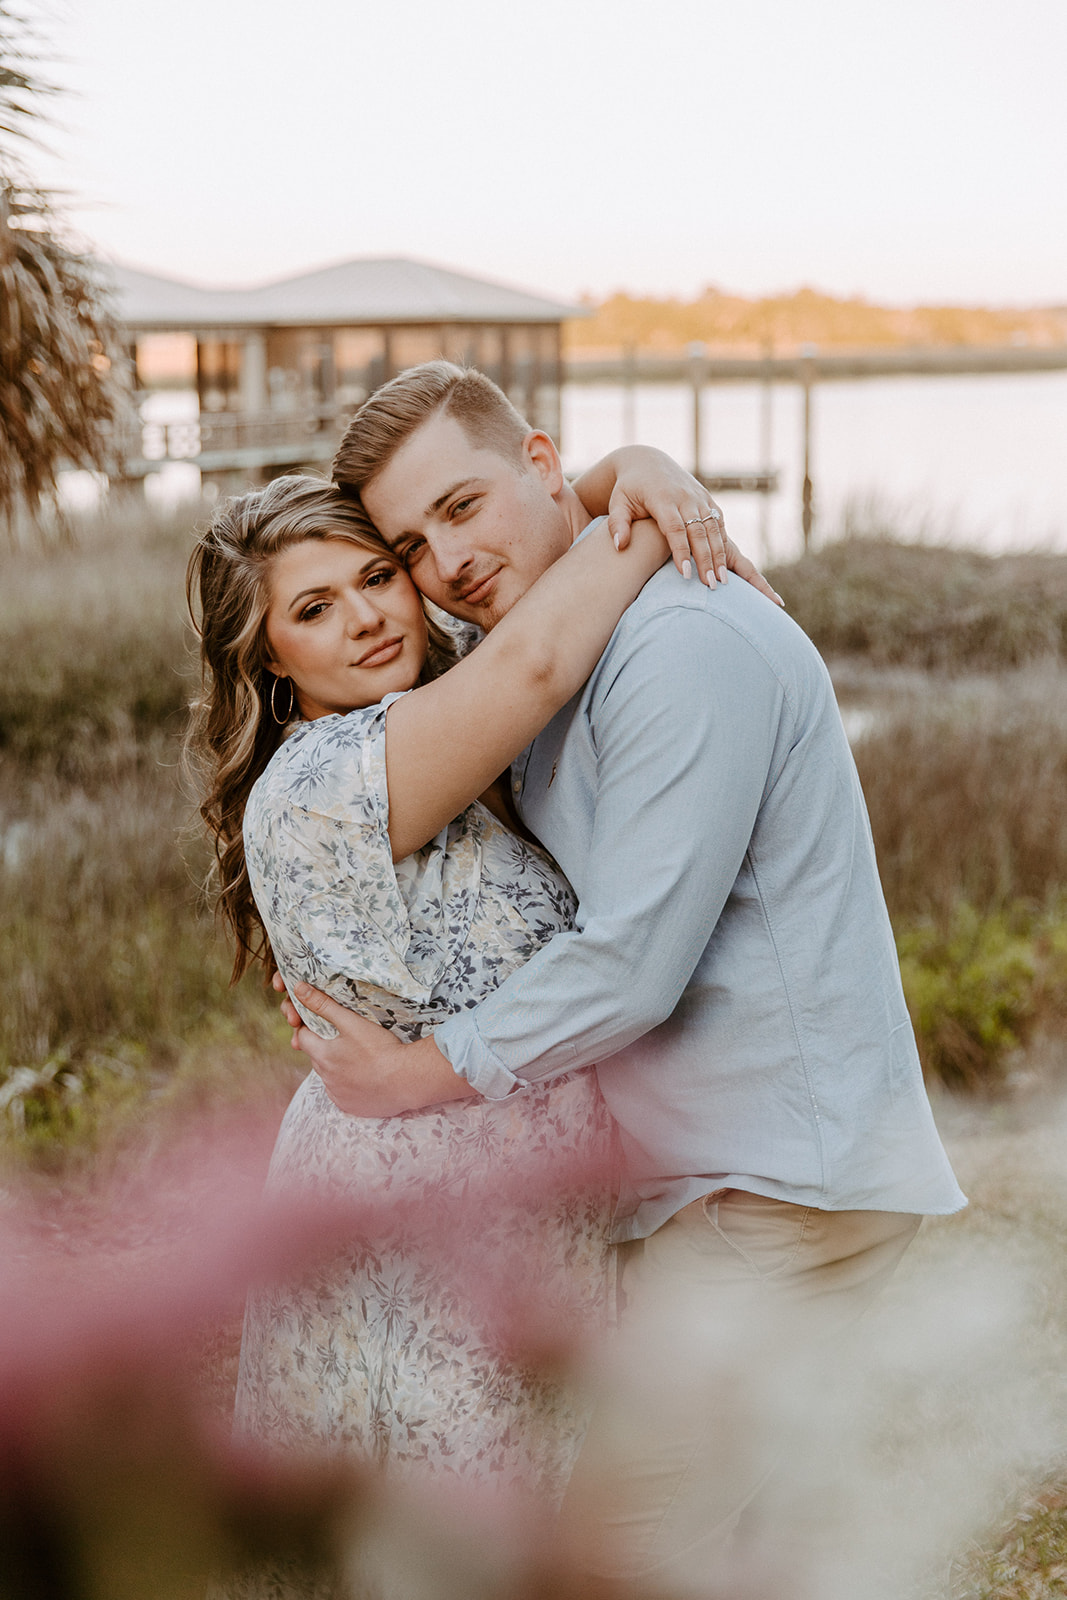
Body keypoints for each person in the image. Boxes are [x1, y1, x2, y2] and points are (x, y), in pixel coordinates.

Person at [280, 360, 968, 1595]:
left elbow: (633, 965)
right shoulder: (552, 643)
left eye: (463, 506)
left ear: (542, 461)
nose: (444, 562)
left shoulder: (679, 643)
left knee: (615, 1557)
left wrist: (416, 1076)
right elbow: (529, 581)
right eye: (409, 543)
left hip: (781, 1189)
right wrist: (625, 479)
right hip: (701, 1190)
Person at [185, 449, 762, 1519]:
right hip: (413, 1211)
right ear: (266, 656)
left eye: (376, 574)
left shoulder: (434, 715)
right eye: (314, 608)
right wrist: (638, 494)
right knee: (446, 1528)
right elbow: (540, 661)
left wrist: (598, 481)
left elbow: (515, 599)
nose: (365, 616)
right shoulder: (325, 780)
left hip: (519, 1205)